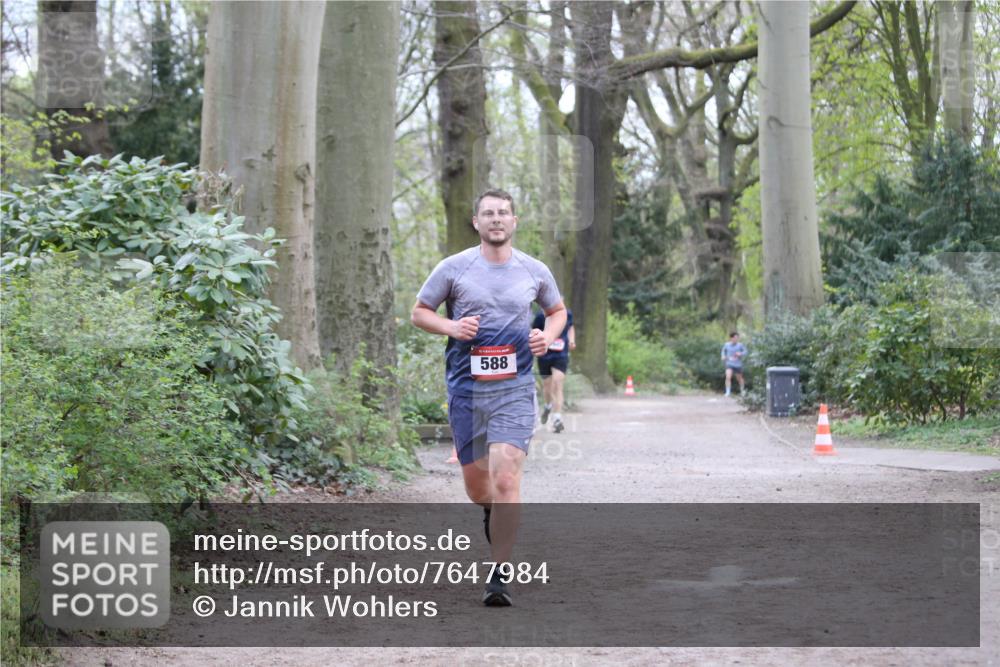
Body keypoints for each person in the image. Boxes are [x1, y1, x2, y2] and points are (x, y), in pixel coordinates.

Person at [411, 188, 567, 607]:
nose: (496, 219)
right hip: (466, 390)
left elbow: (558, 312)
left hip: (515, 388)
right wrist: (451, 328)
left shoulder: (533, 270)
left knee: (505, 477)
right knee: (479, 488)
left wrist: (547, 337)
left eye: (503, 213)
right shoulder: (454, 268)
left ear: (514, 222)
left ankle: (499, 574)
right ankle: (489, 511)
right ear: (476, 222)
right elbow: (420, 311)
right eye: (488, 214)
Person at [532, 308, 575, 433]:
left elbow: (570, 327)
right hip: (544, 354)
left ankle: (557, 418)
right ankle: (547, 406)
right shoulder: (540, 316)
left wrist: (571, 340)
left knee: (557, 383)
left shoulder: (567, 313)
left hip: (561, 354)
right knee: (547, 385)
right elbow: (534, 331)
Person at [721, 331, 746, 396]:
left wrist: (740, 353)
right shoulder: (726, 345)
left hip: (738, 364)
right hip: (729, 364)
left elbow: (745, 352)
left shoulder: (740, 345)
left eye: (737, 338)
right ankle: (728, 392)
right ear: (731, 338)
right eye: (735, 338)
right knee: (728, 377)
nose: (736, 339)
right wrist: (723, 356)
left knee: (740, 379)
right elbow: (723, 351)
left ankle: (742, 391)